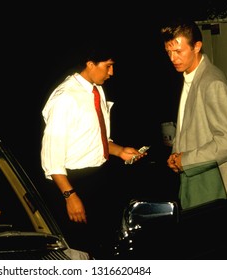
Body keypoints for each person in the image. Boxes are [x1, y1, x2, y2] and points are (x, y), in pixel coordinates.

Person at [40, 43, 147, 258]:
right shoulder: (65, 98)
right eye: (108, 66)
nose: (112, 72)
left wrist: (120, 151)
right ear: (90, 64)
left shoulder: (96, 89)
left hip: (99, 178)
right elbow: (51, 158)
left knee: (103, 248)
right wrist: (70, 196)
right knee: (78, 252)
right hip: (74, 183)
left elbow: (95, 138)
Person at [160, 17, 227, 209]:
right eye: (169, 52)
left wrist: (186, 159)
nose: (173, 58)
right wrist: (176, 154)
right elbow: (189, 126)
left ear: (197, 46)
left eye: (178, 51)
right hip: (194, 174)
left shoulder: (212, 82)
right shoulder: (189, 76)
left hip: (214, 182)